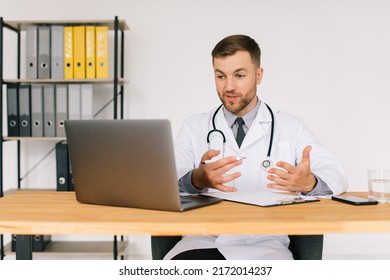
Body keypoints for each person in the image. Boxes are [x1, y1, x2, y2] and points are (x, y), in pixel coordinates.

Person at [164, 34, 347, 260]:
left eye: (239, 75)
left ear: (258, 75)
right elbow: (163, 181)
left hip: (265, 245)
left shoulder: (290, 127)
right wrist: (196, 179)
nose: (229, 86)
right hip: (201, 241)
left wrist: (308, 182)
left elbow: (336, 173)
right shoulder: (194, 126)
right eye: (220, 76)